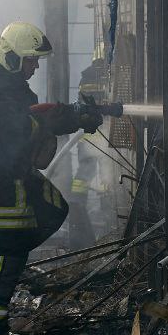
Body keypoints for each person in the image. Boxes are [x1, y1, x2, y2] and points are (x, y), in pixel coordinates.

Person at [0, 20, 104, 335]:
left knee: (54, 210)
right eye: (31, 60)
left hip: (13, 174)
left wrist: (75, 116)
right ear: (12, 57)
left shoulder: (8, 85)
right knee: (12, 246)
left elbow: (38, 119)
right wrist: (63, 117)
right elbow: (21, 127)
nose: (34, 66)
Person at [68, 51, 111, 248]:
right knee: (103, 175)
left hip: (89, 138)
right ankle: (100, 210)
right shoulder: (97, 75)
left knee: (87, 174)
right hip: (97, 135)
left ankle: (79, 203)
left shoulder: (87, 75)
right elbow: (96, 104)